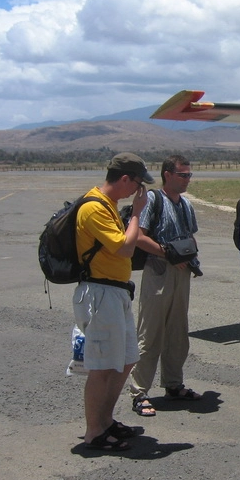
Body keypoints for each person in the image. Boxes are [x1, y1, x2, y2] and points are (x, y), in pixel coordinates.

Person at [73, 152, 152, 452]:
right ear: (125, 179)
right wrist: (137, 213)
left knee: (126, 358)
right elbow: (124, 248)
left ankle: (105, 421)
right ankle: (94, 431)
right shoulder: (94, 208)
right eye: (137, 184)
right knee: (104, 366)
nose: (138, 190)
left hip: (115, 292)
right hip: (101, 293)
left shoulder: (108, 205)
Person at [128, 154, 202, 417]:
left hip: (182, 274)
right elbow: (138, 237)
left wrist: (188, 257)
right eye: (183, 175)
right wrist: (169, 254)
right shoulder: (153, 201)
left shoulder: (186, 204)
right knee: (150, 333)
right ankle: (139, 392)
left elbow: (190, 235)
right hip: (158, 273)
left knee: (177, 332)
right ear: (167, 175)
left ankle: (173, 383)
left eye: (189, 175)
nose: (187, 179)